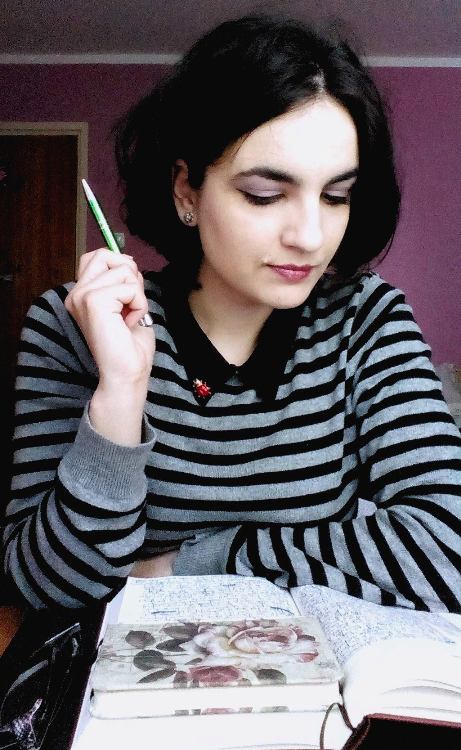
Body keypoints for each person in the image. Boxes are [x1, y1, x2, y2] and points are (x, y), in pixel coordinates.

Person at [2, 15, 461, 611]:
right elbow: (45, 589)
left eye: (336, 196)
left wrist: (200, 562)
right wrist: (120, 395)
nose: (310, 236)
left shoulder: (366, 320)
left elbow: (451, 551)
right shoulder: (72, 328)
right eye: (264, 195)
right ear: (186, 190)